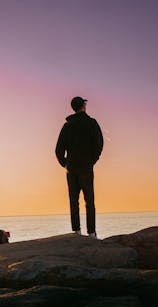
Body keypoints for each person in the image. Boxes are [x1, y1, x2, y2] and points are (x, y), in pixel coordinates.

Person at [55, 96, 103, 238]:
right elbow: (99, 144)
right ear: (83, 106)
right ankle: (92, 233)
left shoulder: (67, 126)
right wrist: (92, 160)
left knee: (73, 201)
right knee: (89, 201)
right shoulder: (91, 123)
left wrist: (65, 163)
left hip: (72, 168)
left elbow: (58, 149)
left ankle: (76, 231)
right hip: (86, 167)